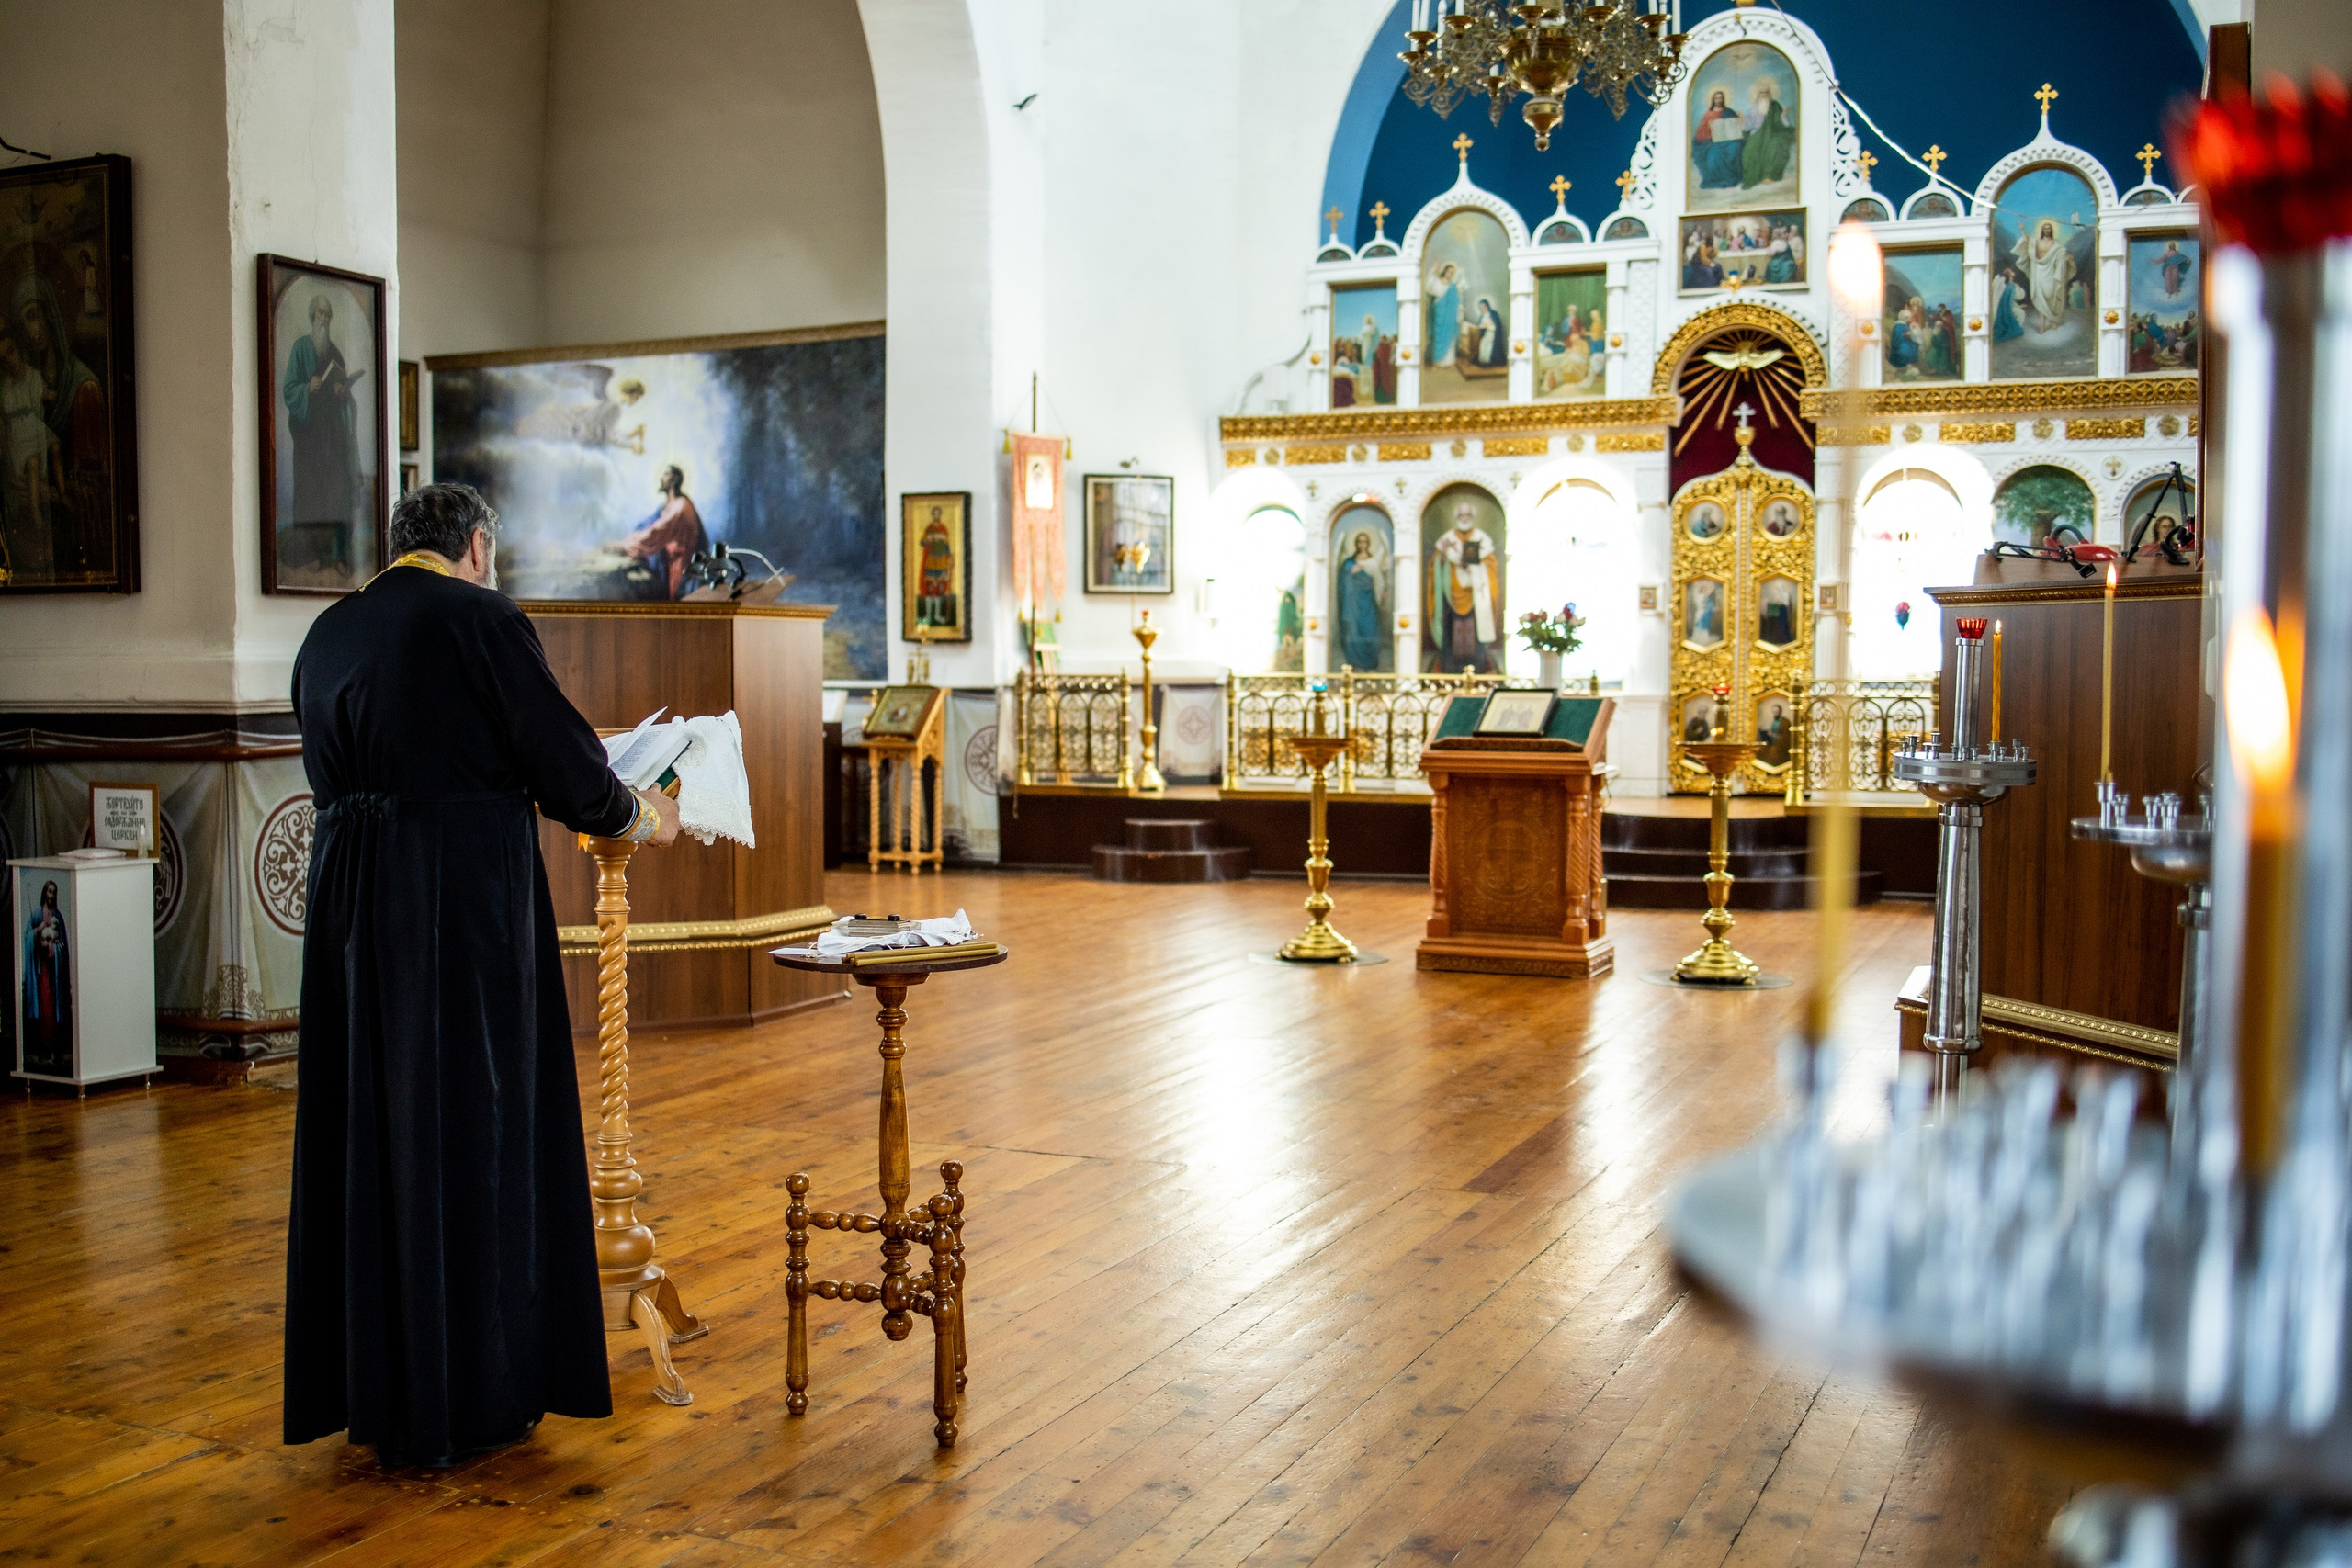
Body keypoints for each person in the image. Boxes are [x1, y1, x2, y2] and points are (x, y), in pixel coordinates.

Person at [284, 481, 681, 1470]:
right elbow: (562, 766)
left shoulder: (329, 631)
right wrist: (641, 816)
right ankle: (476, 1391)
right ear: (475, 546)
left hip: (348, 910)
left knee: (373, 1130)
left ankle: (380, 1388)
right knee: (475, 1124)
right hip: (456, 906)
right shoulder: (481, 618)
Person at [282, 292, 363, 576]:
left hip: (332, 437)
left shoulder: (335, 352)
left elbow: (342, 392)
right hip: (308, 437)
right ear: (311, 317)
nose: (324, 319)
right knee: (310, 494)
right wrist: (308, 388)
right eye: (320, 314)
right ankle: (310, 554)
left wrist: (341, 392)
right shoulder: (300, 348)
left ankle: (337, 554)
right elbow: (289, 389)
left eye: (327, 315)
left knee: (337, 493)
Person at [1428, 499, 1504, 673]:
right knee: (1452, 632)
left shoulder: (1481, 539)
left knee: (1474, 633)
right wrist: (1444, 556)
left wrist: (1476, 567)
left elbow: (1491, 565)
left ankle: (1476, 667)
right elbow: (1436, 566)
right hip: (1451, 596)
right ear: (1456, 517)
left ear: (1473, 517)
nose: (1464, 518)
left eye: (1468, 514)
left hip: (1474, 595)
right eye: (1461, 515)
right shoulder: (1447, 539)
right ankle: (1451, 667)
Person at [619, 464, 708, 598]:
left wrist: (624, 546)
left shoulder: (681, 506)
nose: (661, 479)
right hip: (667, 565)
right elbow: (647, 526)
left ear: (673, 480)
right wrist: (628, 540)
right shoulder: (667, 506)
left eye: (666, 475)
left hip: (679, 567)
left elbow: (656, 532)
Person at [20, 878, 71, 1077]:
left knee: (52, 1009)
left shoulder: (58, 916)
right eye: (49, 891)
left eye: (54, 892)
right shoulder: (35, 915)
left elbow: (62, 946)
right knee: (42, 1010)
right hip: (39, 972)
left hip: (53, 973)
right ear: (44, 893)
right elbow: (27, 938)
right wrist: (39, 930)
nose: (51, 895)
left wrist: (50, 948)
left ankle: (53, 1050)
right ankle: (42, 1049)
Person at [1337, 530, 1387, 671]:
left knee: (1369, 629)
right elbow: (1342, 581)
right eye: (1360, 541)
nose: (1362, 544)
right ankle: (1354, 661)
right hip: (1353, 603)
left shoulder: (1373, 561)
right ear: (1356, 543)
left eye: (1365, 541)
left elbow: (1379, 581)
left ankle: (1369, 662)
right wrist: (1351, 572)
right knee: (1354, 631)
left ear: (1368, 543)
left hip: (1369, 602)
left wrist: (1382, 594)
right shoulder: (1349, 562)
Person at [1741, 82, 1796, 188]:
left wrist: (1783, 116)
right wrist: (1743, 120)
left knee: (1774, 145)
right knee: (1749, 150)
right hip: (1757, 133)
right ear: (1758, 95)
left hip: (1774, 132)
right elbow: (1748, 125)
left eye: (1766, 93)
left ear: (1769, 94)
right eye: (1761, 93)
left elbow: (1783, 124)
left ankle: (1768, 175)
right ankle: (1756, 176)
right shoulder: (1754, 108)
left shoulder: (1775, 106)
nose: (1764, 95)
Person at [1692, 88, 1745, 189]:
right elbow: (1699, 135)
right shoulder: (1708, 114)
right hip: (1713, 141)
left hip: (1730, 140)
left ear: (1723, 99)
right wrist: (1709, 128)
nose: (1718, 100)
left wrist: (1740, 121)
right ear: (1713, 100)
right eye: (1716, 98)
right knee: (1714, 152)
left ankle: (1735, 176)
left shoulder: (1729, 112)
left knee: (1736, 147)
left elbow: (1738, 128)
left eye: (1720, 98)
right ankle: (1718, 179)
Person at [1426, 262, 1462, 368]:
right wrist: (1433, 271)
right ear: (1444, 271)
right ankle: (1436, 362)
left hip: (1450, 314)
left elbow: (1456, 300)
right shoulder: (1437, 281)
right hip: (1440, 311)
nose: (1449, 274)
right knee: (1438, 337)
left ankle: (1449, 362)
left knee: (1450, 336)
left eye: (1451, 272)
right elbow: (1429, 288)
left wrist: (1460, 308)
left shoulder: (1452, 286)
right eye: (1448, 271)